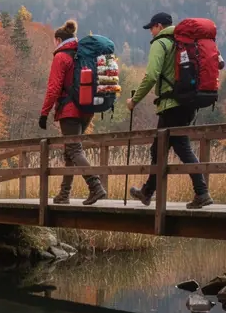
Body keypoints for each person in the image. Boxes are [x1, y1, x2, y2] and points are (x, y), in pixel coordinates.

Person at [128, 12, 213, 209]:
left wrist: (134, 100)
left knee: (180, 148)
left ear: (159, 26)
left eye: (151, 27)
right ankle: (147, 192)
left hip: (171, 105)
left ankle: (202, 192)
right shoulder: (187, 41)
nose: (150, 31)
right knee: (159, 148)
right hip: (189, 103)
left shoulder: (161, 43)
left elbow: (151, 75)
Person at [38, 18, 108, 206]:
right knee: (70, 151)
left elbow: (53, 88)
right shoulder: (82, 54)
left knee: (74, 150)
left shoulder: (61, 57)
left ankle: (96, 187)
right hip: (87, 108)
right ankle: (64, 194)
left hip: (69, 110)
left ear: (59, 40)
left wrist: (44, 113)